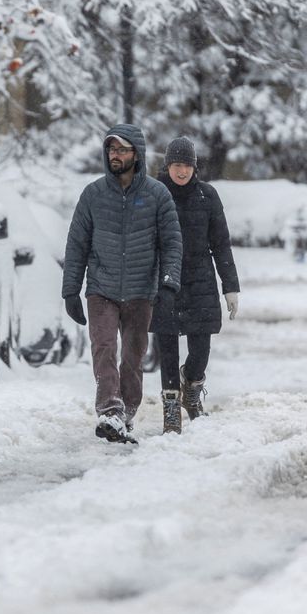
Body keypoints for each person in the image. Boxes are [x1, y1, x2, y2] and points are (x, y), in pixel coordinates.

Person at [62, 124, 183, 444]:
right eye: (111, 150)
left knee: (132, 357)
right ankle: (110, 410)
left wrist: (169, 283)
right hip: (101, 288)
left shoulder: (157, 195)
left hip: (142, 291)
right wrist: (70, 290)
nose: (115, 155)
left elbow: (172, 243)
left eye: (122, 150)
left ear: (137, 154)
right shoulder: (93, 194)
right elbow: (77, 244)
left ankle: (126, 412)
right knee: (104, 348)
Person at [150, 136, 240, 433]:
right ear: (168, 166)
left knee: (200, 348)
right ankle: (172, 410)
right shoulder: (155, 194)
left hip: (201, 278)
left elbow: (221, 243)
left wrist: (230, 286)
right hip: (166, 279)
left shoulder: (208, 196)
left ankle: (191, 388)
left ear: (194, 167)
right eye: (177, 165)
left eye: (187, 166)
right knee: (167, 345)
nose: (182, 171)